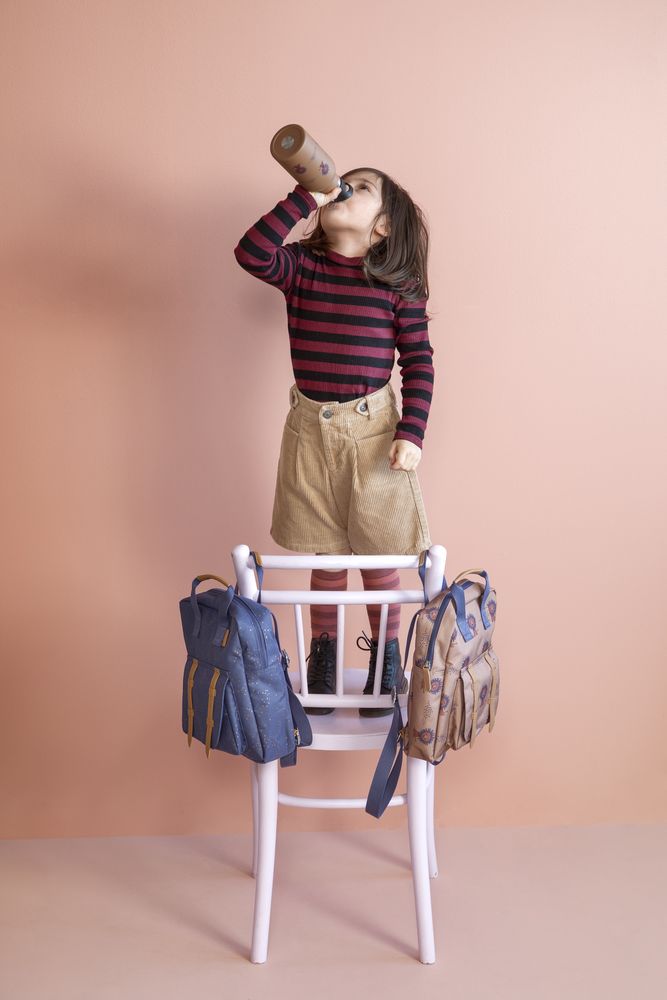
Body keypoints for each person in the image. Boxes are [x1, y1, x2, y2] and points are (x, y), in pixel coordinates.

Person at [233, 167, 435, 716]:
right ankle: (322, 661)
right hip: (310, 434)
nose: (342, 188)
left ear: (383, 226)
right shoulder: (303, 268)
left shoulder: (397, 288)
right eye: (339, 182)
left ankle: (384, 662)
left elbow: (418, 361)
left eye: (360, 188)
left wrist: (412, 431)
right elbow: (251, 253)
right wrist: (304, 196)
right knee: (326, 556)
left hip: (374, 437)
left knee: (377, 556)